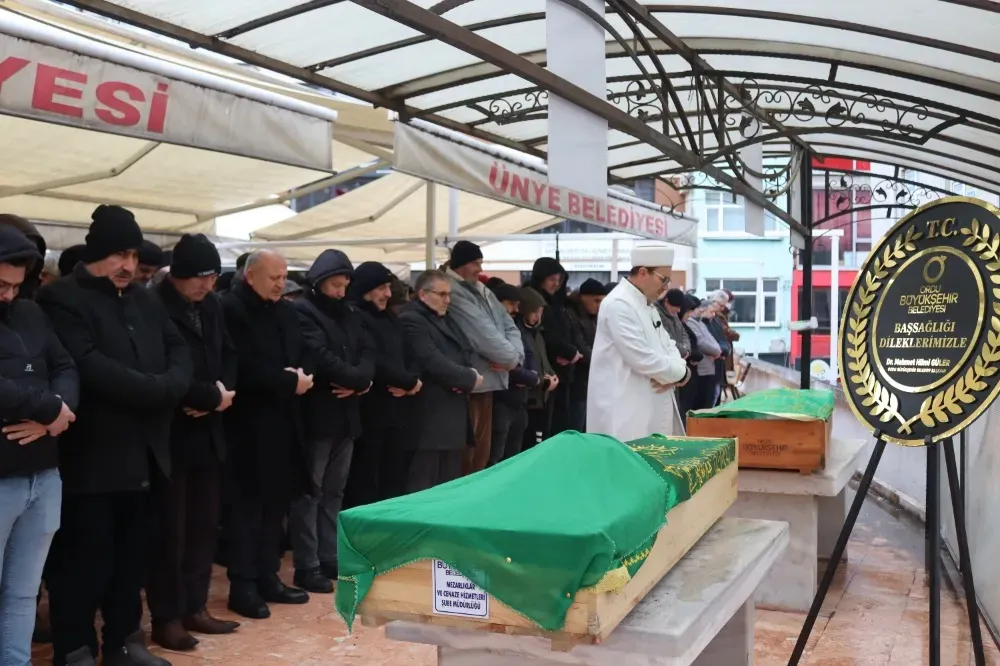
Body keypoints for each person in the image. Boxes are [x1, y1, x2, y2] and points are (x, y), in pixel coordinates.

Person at [39, 204, 192, 666]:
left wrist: (171, 385)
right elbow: (87, 364)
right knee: (83, 563)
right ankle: (75, 648)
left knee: (132, 561)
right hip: (92, 459)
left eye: (133, 255)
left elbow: (178, 349)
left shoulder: (145, 298)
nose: (128, 265)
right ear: (95, 254)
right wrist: (159, 390)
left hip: (147, 456)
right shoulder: (62, 298)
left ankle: (125, 641)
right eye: (118, 255)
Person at [148, 234, 240, 652]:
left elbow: (229, 354)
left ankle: (195, 606)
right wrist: (203, 397)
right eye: (199, 277)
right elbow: (161, 365)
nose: (207, 285)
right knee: (171, 531)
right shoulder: (153, 304)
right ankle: (167, 616)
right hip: (172, 431)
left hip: (209, 430)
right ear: (178, 275)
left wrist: (222, 394)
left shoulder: (213, 305)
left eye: (213, 277)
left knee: (204, 525)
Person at [221, 250, 314, 619]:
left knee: (276, 504)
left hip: (284, 421)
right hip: (247, 425)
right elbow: (242, 366)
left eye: (283, 277)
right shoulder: (231, 309)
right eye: (273, 277)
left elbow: (304, 352)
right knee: (247, 508)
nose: (280, 284)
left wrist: (302, 375)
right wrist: (288, 380)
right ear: (250, 276)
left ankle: (267, 575)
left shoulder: (285, 312)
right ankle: (242, 584)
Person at [0, 226, 78, 666]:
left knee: (23, 592)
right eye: (1, 284)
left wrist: (60, 411)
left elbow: (65, 364)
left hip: (43, 475)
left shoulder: (30, 312)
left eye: (16, 285)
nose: (8, 295)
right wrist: (48, 407)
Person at [289, 250, 375, 593]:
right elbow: (319, 355)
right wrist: (357, 379)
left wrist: (361, 381)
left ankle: (329, 555)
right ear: (320, 282)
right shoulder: (303, 311)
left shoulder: (350, 313)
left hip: (347, 414)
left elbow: (368, 351)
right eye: (335, 285)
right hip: (318, 414)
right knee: (310, 492)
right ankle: (307, 563)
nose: (341, 292)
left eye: (344, 285)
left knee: (334, 491)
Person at [586, 246, 690, 441]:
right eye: (664, 280)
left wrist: (679, 372)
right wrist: (680, 373)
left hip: (650, 403)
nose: (666, 287)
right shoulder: (619, 304)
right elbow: (642, 358)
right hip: (625, 409)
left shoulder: (647, 305)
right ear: (643, 273)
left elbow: (668, 345)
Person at [442, 241, 522, 474]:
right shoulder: (455, 292)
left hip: (489, 380)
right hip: (473, 383)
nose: (480, 269)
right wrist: (511, 360)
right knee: (470, 457)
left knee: (481, 455)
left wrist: (513, 358)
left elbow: (510, 325)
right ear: (461, 264)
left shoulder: (482, 290)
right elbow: (482, 334)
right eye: (475, 263)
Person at [399, 270, 482, 492]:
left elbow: (466, 350)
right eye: (442, 294)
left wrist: (464, 375)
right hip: (428, 415)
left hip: (450, 413)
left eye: (449, 294)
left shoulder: (446, 319)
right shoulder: (411, 320)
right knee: (423, 483)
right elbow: (431, 360)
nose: (447, 300)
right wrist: (467, 377)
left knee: (448, 482)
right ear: (423, 294)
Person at [345, 262, 421, 503]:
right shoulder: (355, 316)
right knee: (367, 477)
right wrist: (408, 381)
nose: (388, 294)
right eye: (381, 288)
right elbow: (373, 360)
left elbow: (411, 353)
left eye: (388, 287)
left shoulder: (390, 318)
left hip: (399, 411)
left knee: (394, 475)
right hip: (371, 412)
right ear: (365, 290)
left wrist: (413, 381)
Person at [525, 258, 580, 436]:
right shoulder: (534, 301)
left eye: (559, 280)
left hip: (559, 373)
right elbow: (546, 336)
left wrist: (572, 353)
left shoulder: (557, 303)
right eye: (551, 279)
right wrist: (569, 352)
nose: (556, 284)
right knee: (543, 428)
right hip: (544, 374)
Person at [488, 283, 539, 464]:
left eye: (518, 305)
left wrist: (528, 374)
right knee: (496, 459)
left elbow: (530, 357)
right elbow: (502, 362)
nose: (516, 310)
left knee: (514, 459)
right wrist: (528, 375)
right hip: (501, 403)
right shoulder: (491, 331)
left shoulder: (516, 329)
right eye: (511, 304)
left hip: (519, 404)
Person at [518, 286, 558, 451]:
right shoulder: (520, 334)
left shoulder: (538, 334)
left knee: (541, 439)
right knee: (529, 442)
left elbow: (544, 360)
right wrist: (543, 381)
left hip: (544, 396)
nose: (537, 317)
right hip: (530, 399)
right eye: (534, 312)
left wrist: (552, 375)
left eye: (540, 312)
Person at [566, 279, 606, 432]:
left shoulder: (593, 318)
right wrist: (602, 360)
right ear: (583, 297)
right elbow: (581, 346)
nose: (599, 305)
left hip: (590, 381)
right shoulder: (571, 314)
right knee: (576, 425)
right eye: (596, 300)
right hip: (576, 380)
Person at [686, 298, 723, 411]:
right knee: (700, 405)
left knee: (708, 402)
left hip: (709, 368)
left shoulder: (700, 323)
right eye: (711, 311)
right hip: (701, 369)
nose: (713, 315)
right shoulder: (690, 322)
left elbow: (713, 340)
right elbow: (701, 342)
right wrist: (717, 351)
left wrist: (717, 351)